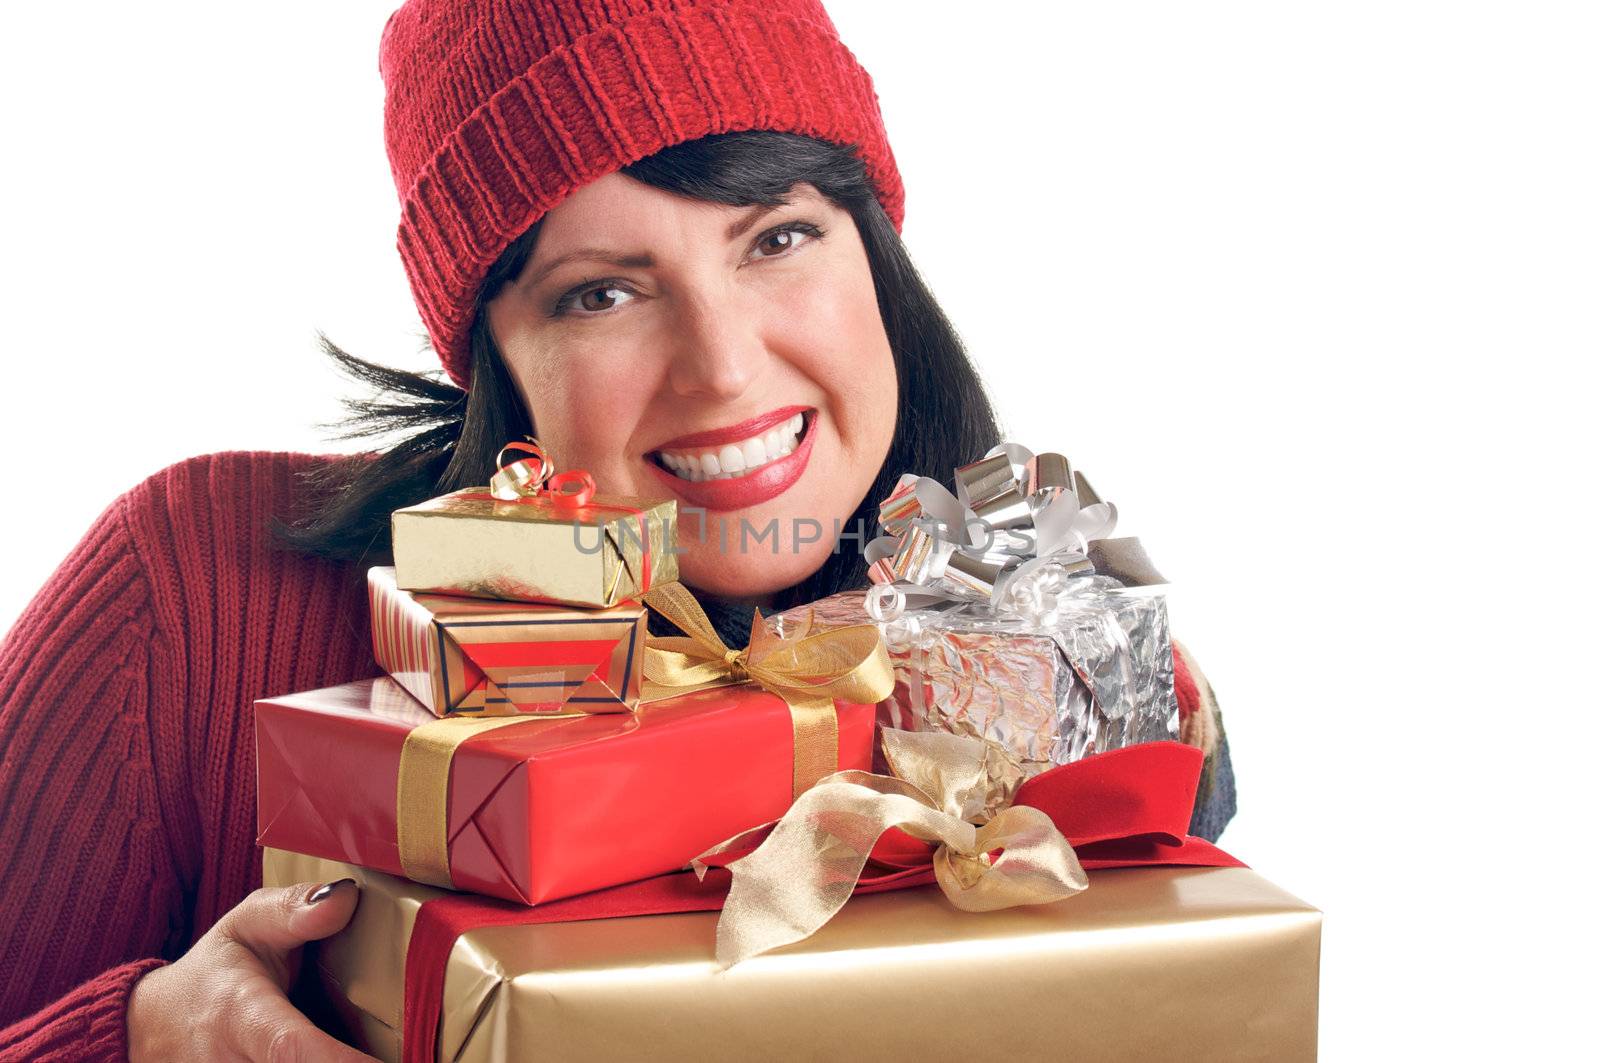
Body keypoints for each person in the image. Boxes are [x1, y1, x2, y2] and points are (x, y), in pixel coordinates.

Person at [0, 1, 1235, 1059]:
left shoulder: (1077, 669)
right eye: (602, 291)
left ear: (877, 253)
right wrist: (141, 1031)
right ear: (495, 356)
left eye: (779, 237)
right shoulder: (195, 587)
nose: (723, 366)